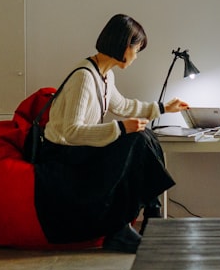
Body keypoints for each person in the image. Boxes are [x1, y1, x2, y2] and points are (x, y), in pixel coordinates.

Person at [33, 14, 189, 253]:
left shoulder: (104, 75)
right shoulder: (84, 77)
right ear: (124, 46)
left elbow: (123, 106)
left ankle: (152, 214)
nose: (136, 57)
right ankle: (127, 227)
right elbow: (71, 132)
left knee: (145, 135)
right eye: (136, 50)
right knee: (136, 138)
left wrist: (163, 108)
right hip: (63, 156)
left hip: (80, 151)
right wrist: (120, 128)